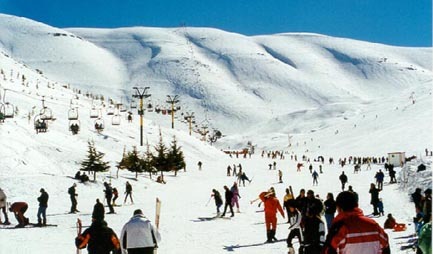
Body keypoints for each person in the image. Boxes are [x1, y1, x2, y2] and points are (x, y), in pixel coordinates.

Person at [322, 191, 390, 254]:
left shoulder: (340, 227)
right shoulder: (374, 225)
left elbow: (327, 251)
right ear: (356, 205)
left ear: (339, 208)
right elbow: (385, 246)